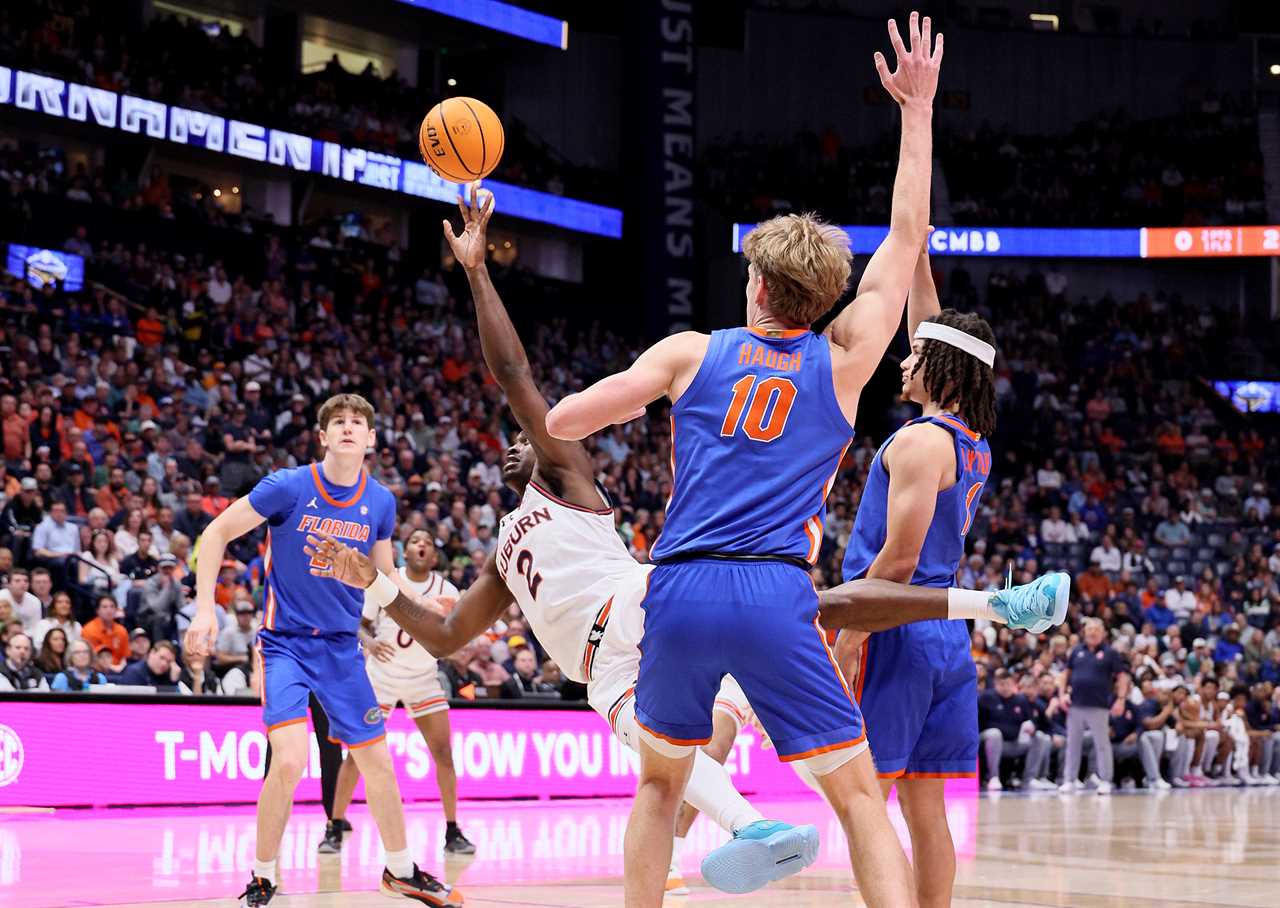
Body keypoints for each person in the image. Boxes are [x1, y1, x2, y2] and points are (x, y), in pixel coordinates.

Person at [307, 173, 1066, 902]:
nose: (516, 445)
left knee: (659, 778)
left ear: (758, 286)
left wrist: (549, 360)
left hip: (663, 598)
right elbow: (446, 631)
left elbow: (539, 398)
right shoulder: (512, 543)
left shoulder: (635, 406)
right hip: (749, 593)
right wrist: (372, 579)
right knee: (847, 788)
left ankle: (751, 813)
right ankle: (760, 808)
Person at [543, 16, 943, 905]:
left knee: (658, 784)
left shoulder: (691, 352)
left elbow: (565, 417)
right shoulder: (843, 359)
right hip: (773, 592)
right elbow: (907, 234)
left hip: (679, 590)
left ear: (757, 284)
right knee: (856, 801)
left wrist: (623, 401)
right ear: (824, 295)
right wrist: (916, 110)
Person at [822, 225, 1065, 904]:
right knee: (926, 815)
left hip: (895, 626)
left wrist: (850, 636)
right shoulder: (972, 440)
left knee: (863, 802)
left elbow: (897, 559)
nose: (900, 364)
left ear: (946, 371)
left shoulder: (920, 441)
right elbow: (936, 331)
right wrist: (917, 254)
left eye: (914, 356)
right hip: (946, 636)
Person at [183, 393, 459, 907]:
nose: (350, 428)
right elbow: (217, 531)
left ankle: (401, 871)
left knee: (377, 761)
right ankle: (263, 875)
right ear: (323, 435)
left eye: (359, 422)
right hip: (283, 645)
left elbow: (387, 576)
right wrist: (204, 609)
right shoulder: (288, 486)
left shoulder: (380, 501)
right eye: (339, 422)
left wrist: (423, 602)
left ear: (372, 438)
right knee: (288, 762)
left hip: (341, 649)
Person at [326, 528, 475, 858]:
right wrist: (370, 642)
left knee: (444, 754)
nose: (421, 544)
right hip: (381, 677)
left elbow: (454, 636)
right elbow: (359, 624)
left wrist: (457, 645)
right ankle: (335, 825)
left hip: (423, 678)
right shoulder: (385, 581)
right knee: (358, 754)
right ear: (404, 552)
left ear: (434, 556)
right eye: (414, 541)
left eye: (427, 541)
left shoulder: (446, 591)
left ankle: (452, 830)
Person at [1060, 618, 1132, 794]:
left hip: (1099, 706)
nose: (1092, 633)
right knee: (1073, 744)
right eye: (1089, 629)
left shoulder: (1110, 653)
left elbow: (1122, 677)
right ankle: (1069, 780)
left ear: (1103, 633)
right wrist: (1062, 694)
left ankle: (1105, 780)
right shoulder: (1076, 651)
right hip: (1075, 705)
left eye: (1096, 630)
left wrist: (1121, 699)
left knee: (1102, 744)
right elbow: (1065, 674)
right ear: (1084, 632)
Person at [978, 670, 1053, 791]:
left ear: (1013, 684)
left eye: (1008, 684)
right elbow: (978, 723)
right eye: (1002, 684)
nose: (1005, 688)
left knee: (1039, 736)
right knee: (995, 733)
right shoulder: (986, 698)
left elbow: (1031, 720)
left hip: (1013, 742)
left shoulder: (1021, 700)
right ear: (996, 684)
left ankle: (1029, 779)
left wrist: (1031, 727)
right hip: (989, 743)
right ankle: (993, 777)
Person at [82, 595, 129, 671]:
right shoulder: (89, 630)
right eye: (104, 607)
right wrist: (112, 668)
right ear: (97, 610)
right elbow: (90, 659)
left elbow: (125, 657)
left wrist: (120, 668)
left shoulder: (122, 630)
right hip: (96, 671)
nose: (109, 610)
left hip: (119, 671)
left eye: (112, 606)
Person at [0, 569, 43, 633]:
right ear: (8, 584)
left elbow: (36, 628)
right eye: (17, 581)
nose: (23, 584)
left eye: (26, 581)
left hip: (27, 638)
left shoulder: (35, 601)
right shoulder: (1, 596)